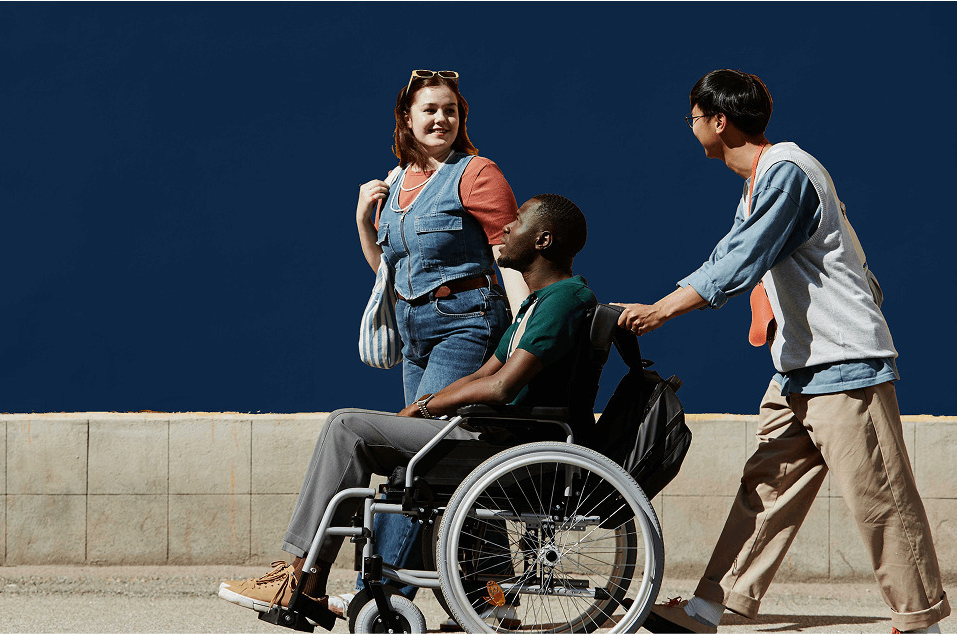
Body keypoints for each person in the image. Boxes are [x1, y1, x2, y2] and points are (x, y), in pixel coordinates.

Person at [616, 69, 947, 634]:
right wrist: (766, 309)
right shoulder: (760, 184)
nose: (690, 127)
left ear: (719, 122)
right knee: (763, 493)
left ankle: (920, 621)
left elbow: (739, 259)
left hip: (845, 365)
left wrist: (663, 309)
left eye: (694, 117)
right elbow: (748, 256)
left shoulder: (788, 170)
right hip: (798, 370)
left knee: (880, 498)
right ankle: (706, 610)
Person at [219, 194, 593, 623]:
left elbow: (501, 387)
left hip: (509, 448)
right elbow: (483, 374)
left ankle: (302, 577)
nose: (506, 228)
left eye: (519, 221)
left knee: (347, 428)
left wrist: (427, 404)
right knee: (370, 440)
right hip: (497, 440)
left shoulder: (564, 300)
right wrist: (423, 408)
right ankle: (314, 581)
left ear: (543, 240)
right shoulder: (536, 303)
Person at [347, 68, 529, 612]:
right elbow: (389, 274)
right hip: (414, 334)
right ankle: (496, 600)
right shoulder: (395, 183)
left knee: (419, 451)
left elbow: (515, 258)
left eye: (450, 110)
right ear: (407, 118)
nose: (441, 119)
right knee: (450, 465)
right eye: (429, 110)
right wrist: (363, 222)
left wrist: (529, 339)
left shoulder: (477, 174)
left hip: (468, 322)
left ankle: (376, 592)